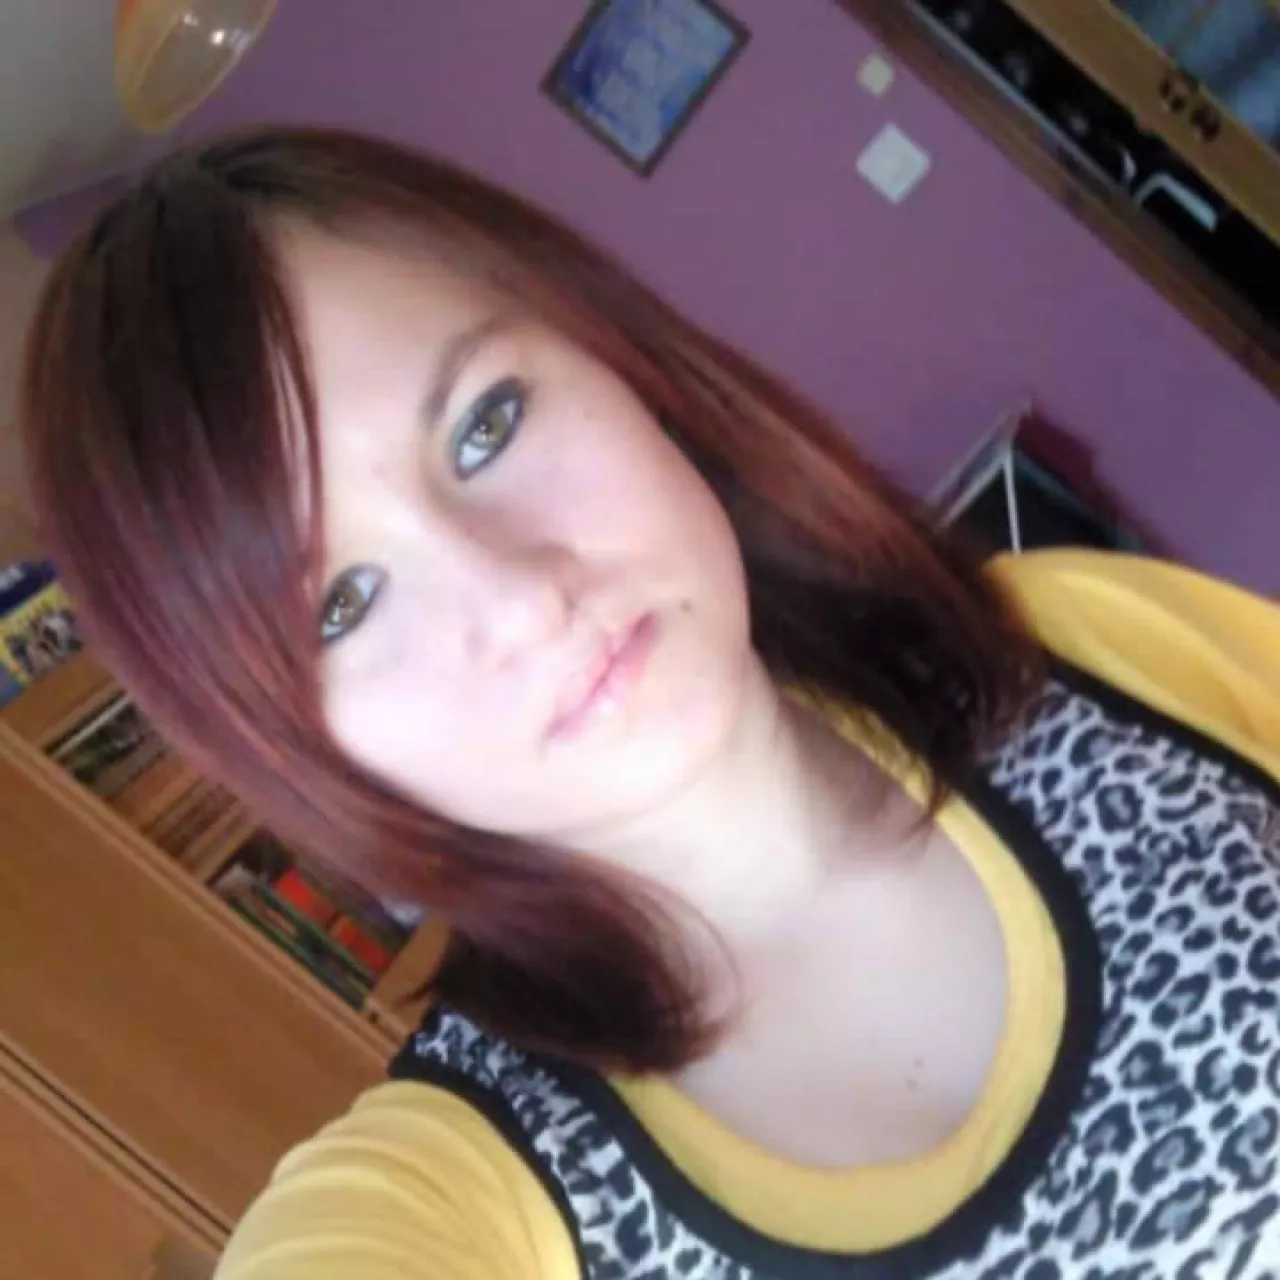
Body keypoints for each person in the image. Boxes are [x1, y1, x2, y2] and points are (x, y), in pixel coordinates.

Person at [21, 126, 1280, 1280]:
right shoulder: (480, 1189)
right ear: (294, 744)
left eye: (485, 426)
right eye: (342, 605)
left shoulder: (1083, 644)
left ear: (611, 354)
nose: (520, 600)